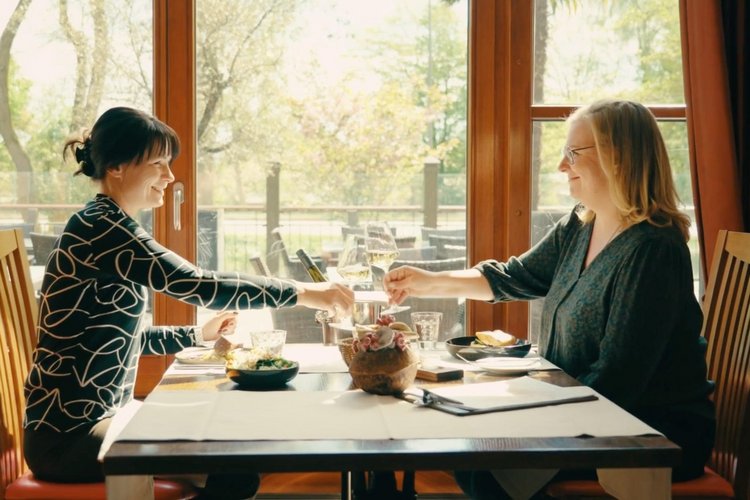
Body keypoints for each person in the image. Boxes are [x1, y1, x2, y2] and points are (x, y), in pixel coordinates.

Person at [385, 99, 715, 499]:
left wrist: (533, 416)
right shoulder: (580, 224)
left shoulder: (653, 249)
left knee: (483, 464)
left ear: (619, 157)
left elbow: (619, 376)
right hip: (585, 409)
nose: (562, 166)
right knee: (467, 447)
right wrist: (429, 282)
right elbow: (515, 277)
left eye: (574, 153)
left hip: (646, 431)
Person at [23, 106, 354, 499]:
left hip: (86, 426)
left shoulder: (105, 222)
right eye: (159, 163)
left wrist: (197, 334)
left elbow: (125, 338)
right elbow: (197, 284)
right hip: (69, 441)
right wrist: (306, 291)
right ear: (116, 167)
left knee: (232, 446)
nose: (170, 176)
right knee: (235, 456)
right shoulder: (103, 227)